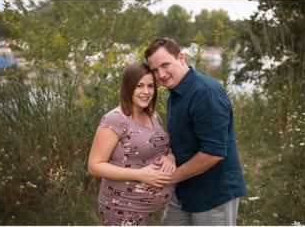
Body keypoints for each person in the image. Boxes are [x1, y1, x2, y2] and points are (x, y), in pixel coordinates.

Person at [145, 39, 247, 226]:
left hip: (214, 195)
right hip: (184, 190)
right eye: (154, 70)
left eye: (165, 65)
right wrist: (171, 156)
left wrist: (167, 179)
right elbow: (183, 139)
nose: (161, 74)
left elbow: (213, 153)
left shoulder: (205, 92)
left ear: (181, 58)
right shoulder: (175, 91)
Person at [87, 61, 177, 226]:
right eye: (139, 86)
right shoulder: (114, 119)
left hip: (146, 210)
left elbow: (162, 147)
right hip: (122, 208)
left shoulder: (153, 116)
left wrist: (170, 157)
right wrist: (139, 175)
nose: (146, 92)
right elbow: (94, 165)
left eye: (150, 86)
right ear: (128, 87)